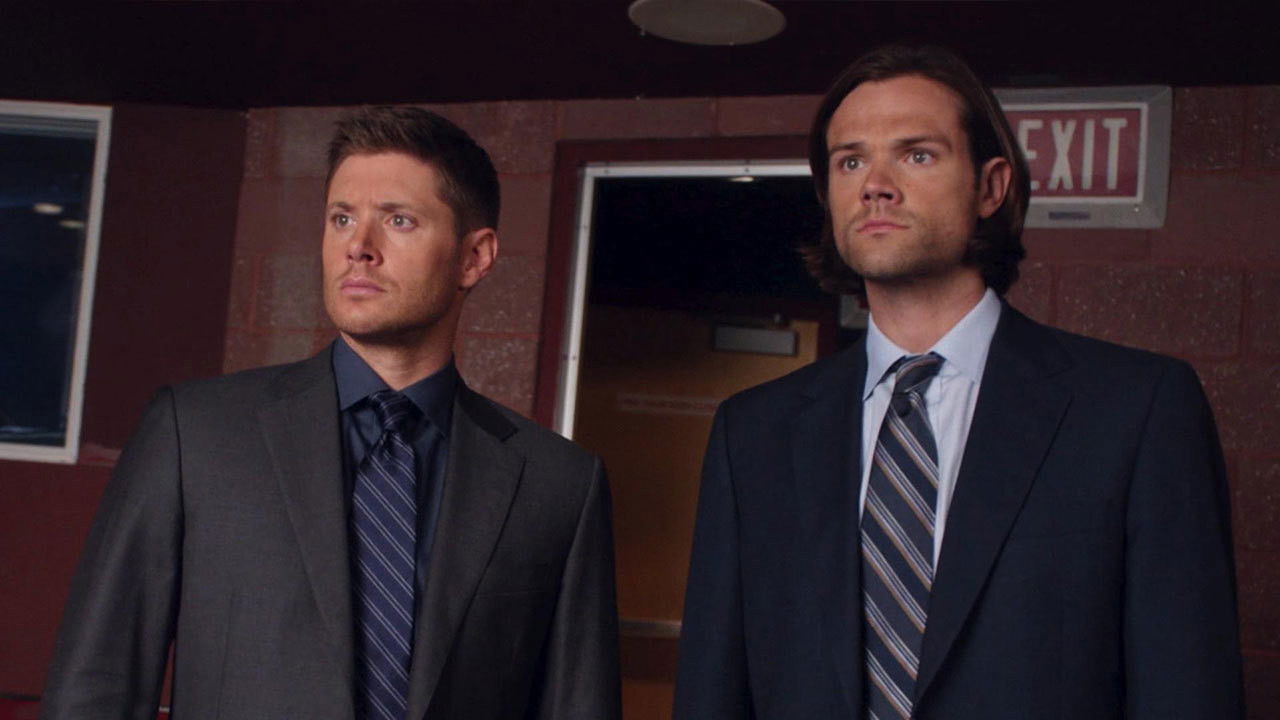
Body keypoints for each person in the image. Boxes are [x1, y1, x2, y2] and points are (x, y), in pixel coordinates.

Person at [674, 45, 1242, 720]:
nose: (875, 184)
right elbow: (713, 690)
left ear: (990, 187)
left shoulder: (1137, 410)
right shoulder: (753, 432)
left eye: (916, 154)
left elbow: (1187, 688)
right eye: (850, 161)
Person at [41, 106, 620, 720]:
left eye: (398, 220)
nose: (358, 248)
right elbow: (96, 684)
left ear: (474, 257)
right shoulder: (196, 435)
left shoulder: (559, 485)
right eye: (342, 218)